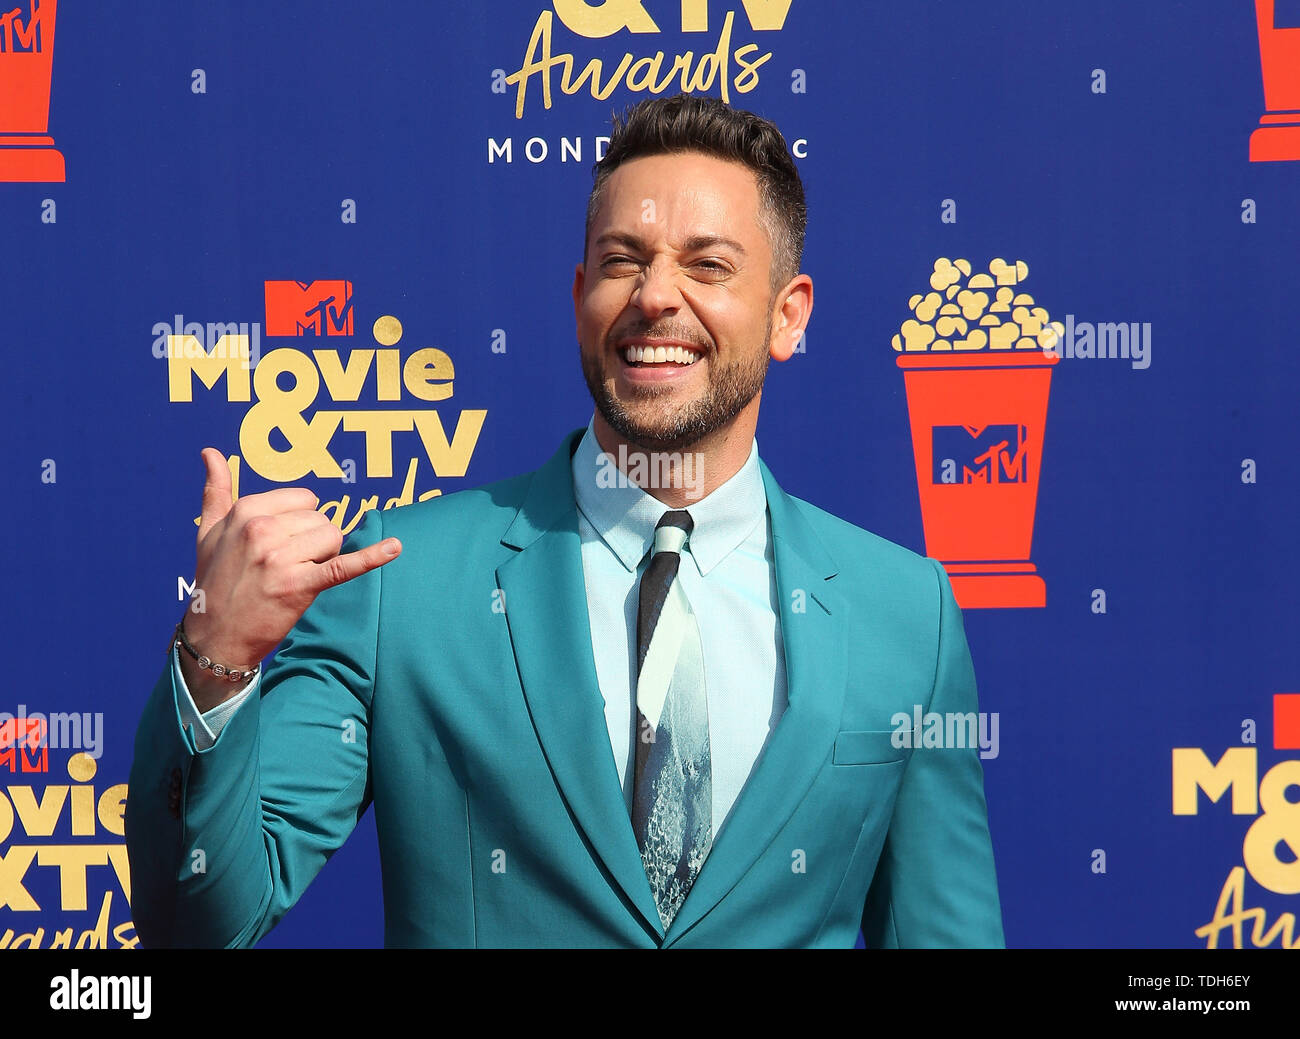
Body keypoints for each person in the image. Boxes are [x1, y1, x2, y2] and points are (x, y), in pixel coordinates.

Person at [124, 93, 1005, 949]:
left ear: (787, 314)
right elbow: (200, 922)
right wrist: (216, 662)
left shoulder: (906, 615)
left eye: (707, 265)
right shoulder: (399, 579)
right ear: (581, 293)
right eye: (624, 260)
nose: (656, 295)